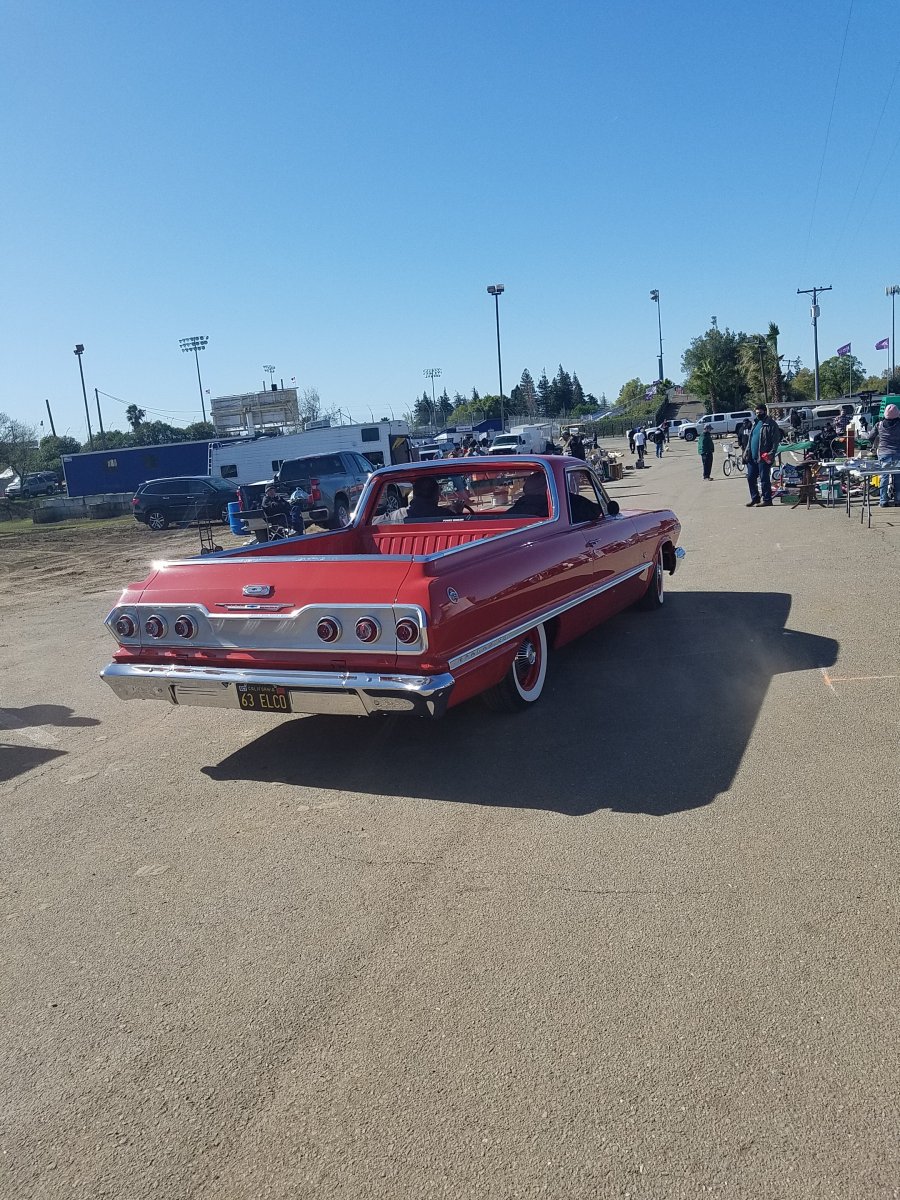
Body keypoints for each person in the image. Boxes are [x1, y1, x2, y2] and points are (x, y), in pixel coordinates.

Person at [743, 402, 782, 507]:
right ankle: (755, 498)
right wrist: (746, 453)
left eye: (760, 412)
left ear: (764, 411)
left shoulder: (771, 424)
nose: (758, 414)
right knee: (750, 477)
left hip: (764, 457)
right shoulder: (755, 423)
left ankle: (767, 499)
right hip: (752, 456)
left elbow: (775, 442)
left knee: (764, 478)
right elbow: (750, 439)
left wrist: (771, 454)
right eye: (756, 412)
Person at [872, 402, 900, 506]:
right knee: (898, 477)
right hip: (898, 453)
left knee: (884, 476)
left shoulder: (879, 425)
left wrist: (875, 445)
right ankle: (898, 499)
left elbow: (870, 436)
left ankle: (883, 501)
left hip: (884, 453)